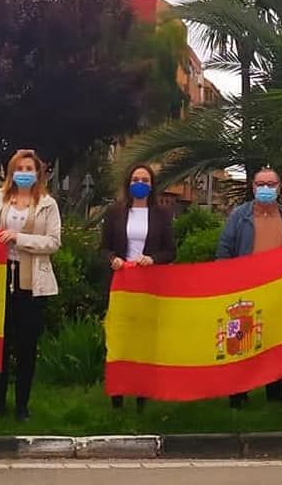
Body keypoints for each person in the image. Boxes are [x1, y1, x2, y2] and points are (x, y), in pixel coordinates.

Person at [0, 149, 61, 421]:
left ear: (38, 173)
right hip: (0, 279)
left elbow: (53, 242)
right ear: (10, 172)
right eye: (20, 168)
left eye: (30, 168)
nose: (24, 173)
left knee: (26, 347)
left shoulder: (47, 204)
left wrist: (20, 238)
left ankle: (22, 405)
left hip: (31, 284)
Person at [216, 167, 282, 407]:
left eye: (271, 184)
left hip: (277, 291)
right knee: (240, 342)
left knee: (275, 343)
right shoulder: (239, 216)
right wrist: (225, 282)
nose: (266, 189)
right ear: (253, 187)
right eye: (261, 184)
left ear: (279, 187)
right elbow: (224, 250)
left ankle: (275, 396)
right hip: (244, 290)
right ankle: (238, 394)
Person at [101, 163, 176, 411]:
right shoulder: (115, 212)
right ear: (128, 183)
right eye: (136, 179)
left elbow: (170, 251)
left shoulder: (162, 214)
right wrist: (113, 259)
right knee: (121, 337)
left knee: (144, 339)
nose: (140, 184)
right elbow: (103, 248)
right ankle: (118, 395)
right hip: (122, 283)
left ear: (152, 185)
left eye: (145, 180)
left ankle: (142, 396)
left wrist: (153, 259)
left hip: (149, 284)